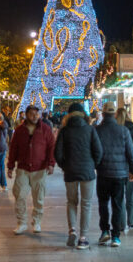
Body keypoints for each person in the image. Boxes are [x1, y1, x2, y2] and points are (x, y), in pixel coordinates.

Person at [54, 102, 103, 250]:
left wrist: (64, 165)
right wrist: (93, 165)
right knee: (86, 204)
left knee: (71, 202)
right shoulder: (90, 129)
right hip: (87, 172)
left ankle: (72, 230)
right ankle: (83, 238)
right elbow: (99, 151)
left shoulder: (64, 131)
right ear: (83, 114)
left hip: (70, 171)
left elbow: (57, 153)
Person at [7, 104, 56, 234]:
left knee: (38, 198)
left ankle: (37, 222)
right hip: (22, 168)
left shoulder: (45, 129)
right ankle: (21, 222)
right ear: (26, 115)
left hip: (40, 169)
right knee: (19, 195)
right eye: (31, 114)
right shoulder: (19, 130)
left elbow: (51, 147)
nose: (34, 116)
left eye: (36, 114)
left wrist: (51, 163)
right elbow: (13, 148)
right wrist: (10, 166)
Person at [94, 102, 133, 247]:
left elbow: (94, 152)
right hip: (120, 175)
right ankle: (116, 236)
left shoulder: (97, 130)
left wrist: (96, 165)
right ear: (114, 114)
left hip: (103, 173)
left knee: (103, 203)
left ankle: (105, 231)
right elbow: (131, 153)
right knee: (118, 205)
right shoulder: (124, 131)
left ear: (103, 114)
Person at [116, 107, 133, 229]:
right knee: (130, 195)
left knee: (119, 196)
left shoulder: (115, 128)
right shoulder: (132, 127)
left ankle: (121, 224)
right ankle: (131, 221)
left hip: (118, 166)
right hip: (131, 166)